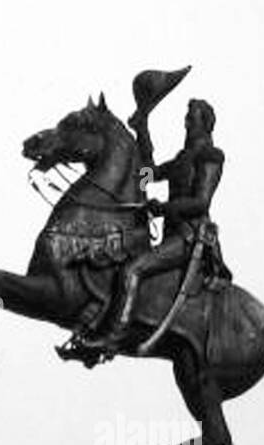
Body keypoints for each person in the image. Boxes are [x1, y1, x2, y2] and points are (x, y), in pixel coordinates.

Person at [88, 97, 230, 352]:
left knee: (132, 270)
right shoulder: (182, 158)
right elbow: (148, 172)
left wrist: (162, 208)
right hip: (172, 236)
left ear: (205, 124)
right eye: (186, 119)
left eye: (191, 119)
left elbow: (201, 203)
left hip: (190, 238)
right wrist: (142, 128)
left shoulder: (211, 156)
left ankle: (112, 338)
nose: (186, 124)